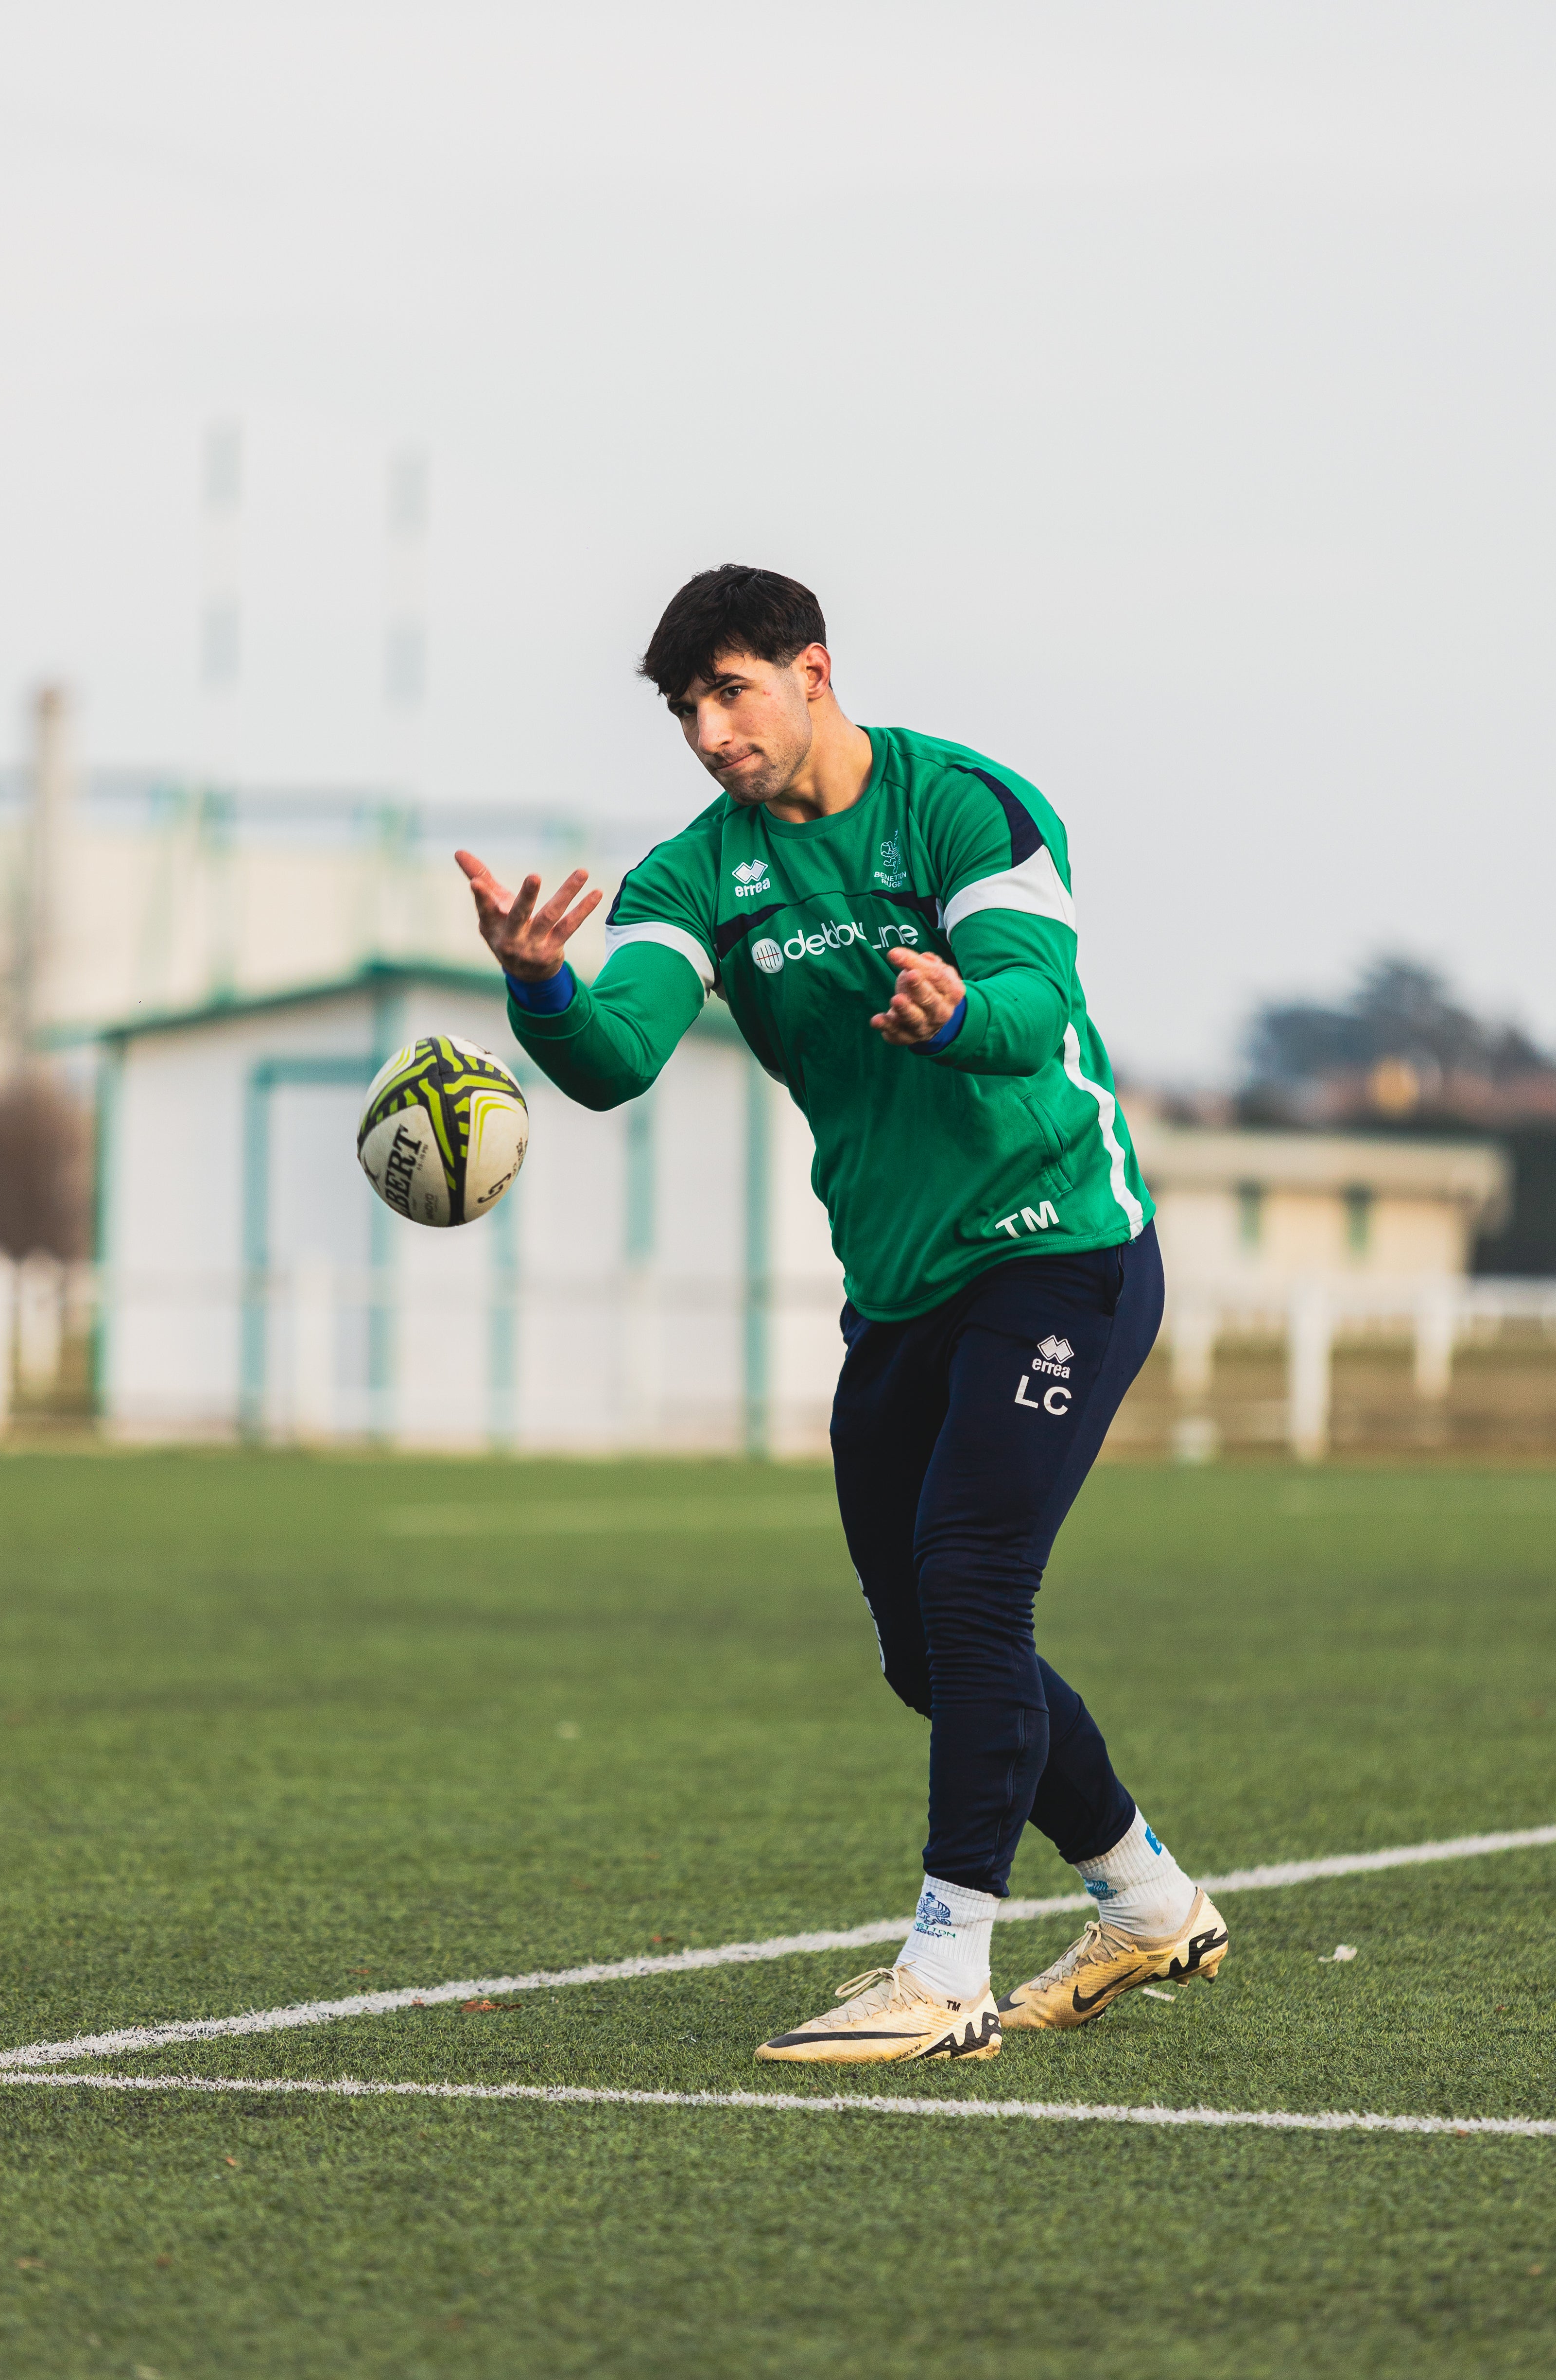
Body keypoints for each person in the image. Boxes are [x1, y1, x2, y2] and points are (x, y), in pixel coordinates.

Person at [457, 564, 1228, 2066]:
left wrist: (957, 1014)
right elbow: (618, 1056)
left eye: (729, 692)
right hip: (897, 1289)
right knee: (922, 1655)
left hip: (1059, 1247)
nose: (708, 732)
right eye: (685, 710)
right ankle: (1145, 1899)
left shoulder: (965, 807)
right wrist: (542, 990)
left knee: (972, 1581)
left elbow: (1033, 1004)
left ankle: (944, 1969)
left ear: (811, 669)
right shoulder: (697, 876)